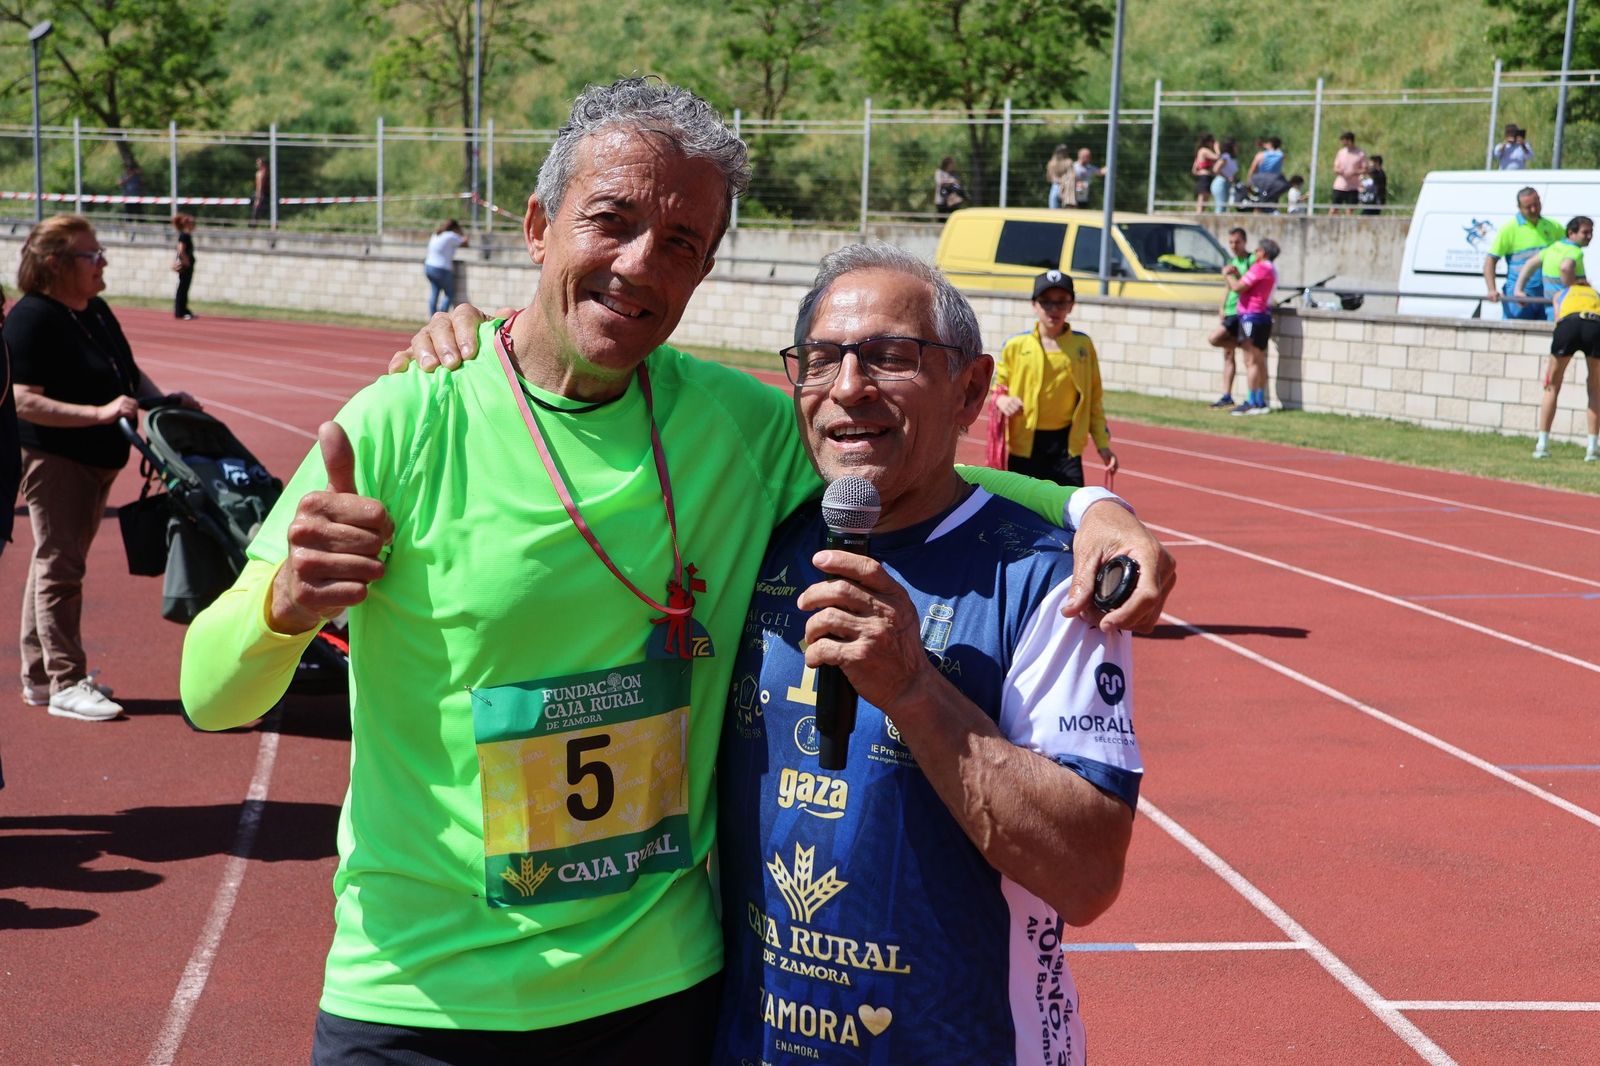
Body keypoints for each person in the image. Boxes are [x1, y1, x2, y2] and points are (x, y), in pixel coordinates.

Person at [181, 78, 1175, 1066]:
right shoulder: (399, 423)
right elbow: (210, 695)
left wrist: (1096, 508)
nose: (638, 265)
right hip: (421, 998)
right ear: (537, 225)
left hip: (659, 992)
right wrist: (282, 604)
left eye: (682, 244)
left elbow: (918, 464)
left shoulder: (738, 425)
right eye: (608, 222)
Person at [714, 244, 1140, 1064]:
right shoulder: (756, 544)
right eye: (821, 361)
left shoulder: (1053, 585)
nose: (847, 388)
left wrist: (913, 689)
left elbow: (1087, 876)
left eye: (889, 358)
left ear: (970, 390)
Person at [5, 214, 198, 722]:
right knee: (60, 567)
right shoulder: (31, 318)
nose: (102, 262)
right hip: (55, 460)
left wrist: (164, 401)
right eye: (92, 255)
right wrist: (98, 414)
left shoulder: (94, 311)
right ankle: (67, 681)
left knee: (54, 563)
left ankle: (41, 678)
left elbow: (126, 374)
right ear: (55, 264)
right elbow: (22, 401)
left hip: (97, 461)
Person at [992, 270, 1117, 488]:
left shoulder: (1082, 347)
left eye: (1061, 302)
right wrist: (1003, 401)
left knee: (1070, 512)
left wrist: (1102, 445)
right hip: (1025, 444)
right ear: (1034, 305)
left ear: (1071, 305)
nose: (1054, 309)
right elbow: (998, 388)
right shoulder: (1016, 346)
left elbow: (1094, 400)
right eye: (1046, 302)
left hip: (1065, 448)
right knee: (1023, 513)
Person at [1533, 280, 1600, 461]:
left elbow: (1557, 317)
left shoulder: (1562, 293)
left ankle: (1542, 444)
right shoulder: (1595, 294)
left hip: (1568, 324)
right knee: (1595, 389)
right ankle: (1592, 448)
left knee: (1552, 386)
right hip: (1594, 325)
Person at [1483, 186, 1564, 321]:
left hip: (1547, 293)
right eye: (1528, 207)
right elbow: (1490, 261)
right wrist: (1492, 289)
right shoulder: (1510, 229)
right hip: (1520, 295)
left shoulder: (1553, 226)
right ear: (1519, 207)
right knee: (1514, 336)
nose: (1533, 210)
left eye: (1536, 204)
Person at [1222, 237, 1280, 415]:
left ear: (1263, 253)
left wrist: (1228, 275)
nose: (1254, 254)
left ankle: (1252, 401)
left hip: (1252, 316)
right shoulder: (1270, 269)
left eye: (1257, 251)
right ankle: (1259, 400)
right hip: (1261, 316)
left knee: (1251, 361)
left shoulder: (1261, 267)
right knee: (1259, 359)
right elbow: (1249, 285)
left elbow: (1238, 288)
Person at [1516, 214, 1591, 324]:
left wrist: (1518, 290)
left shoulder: (1553, 248)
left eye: (1591, 232)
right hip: (1569, 311)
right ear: (1571, 233)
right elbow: (1565, 267)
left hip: (1552, 310)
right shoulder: (1575, 251)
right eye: (1585, 232)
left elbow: (1530, 264)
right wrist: (1572, 293)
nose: (1590, 236)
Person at [1207, 226, 1252, 408]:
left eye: (1237, 242)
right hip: (1230, 311)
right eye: (1231, 242)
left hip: (1242, 311)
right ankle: (1226, 395)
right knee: (1227, 354)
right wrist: (1221, 306)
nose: (1234, 246)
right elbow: (1227, 287)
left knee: (1215, 338)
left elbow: (1246, 284)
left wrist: (1235, 274)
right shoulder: (1231, 261)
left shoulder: (1249, 261)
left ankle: (1244, 345)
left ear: (1244, 242)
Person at [423, 218, 468, 316]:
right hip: (442, 268)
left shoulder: (437, 233)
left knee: (435, 292)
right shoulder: (451, 236)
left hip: (428, 266)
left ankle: (433, 318)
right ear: (455, 228)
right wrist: (462, 233)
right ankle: (442, 317)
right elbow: (465, 243)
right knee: (449, 294)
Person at [1330, 131, 1366, 216]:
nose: (1342, 143)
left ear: (1349, 140)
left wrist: (1354, 172)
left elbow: (1365, 169)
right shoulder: (1341, 152)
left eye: (1343, 140)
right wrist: (1340, 171)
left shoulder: (1360, 154)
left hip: (1353, 187)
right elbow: (1335, 168)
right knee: (1334, 209)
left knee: (1350, 210)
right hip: (1340, 186)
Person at [172, 214, 197, 320]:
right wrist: (185, 261)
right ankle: (180, 311)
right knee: (182, 288)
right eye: (192, 223)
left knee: (184, 288)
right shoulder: (184, 235)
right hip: (185, 266)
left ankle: (184, 309)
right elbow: (180, 249)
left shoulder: (186, 235)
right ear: (187, 224)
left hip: (187, 265)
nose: (194, 225)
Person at [1210, 137, 1239, 213]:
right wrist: (1227, 177)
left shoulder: (1231, 158)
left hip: (1226, 184)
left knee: (1224, 207)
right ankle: (1217, 224)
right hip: (1221, 183)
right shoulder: (1225, 157)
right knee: (1221, 207)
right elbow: (1215, 169)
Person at [1191, 134, 1219, 211]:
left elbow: (1194, 169)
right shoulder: (1204, 150)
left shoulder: (1199, 151)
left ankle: (1201, 214)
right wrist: (1216, 148)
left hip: (1205, 177)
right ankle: (1199, 215)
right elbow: (1217, 157)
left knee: (1205, 199)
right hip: (1205, 177)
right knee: (1202, 198)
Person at [1045, 144, 1072, 209]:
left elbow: (1049, 178)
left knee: (1054, 211)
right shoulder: (1069, 162)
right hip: (1065, 187)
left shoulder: (1051, 162)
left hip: (1057, 186)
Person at [250, 157, 270, 226]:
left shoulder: (260, 173)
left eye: (259, 163)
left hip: (262, 195)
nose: (257, 164)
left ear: (263, 164)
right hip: (266, 195)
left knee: (256, 211)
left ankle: (253, 227)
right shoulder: (267, 172)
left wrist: (257, 199)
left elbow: (259, 187)